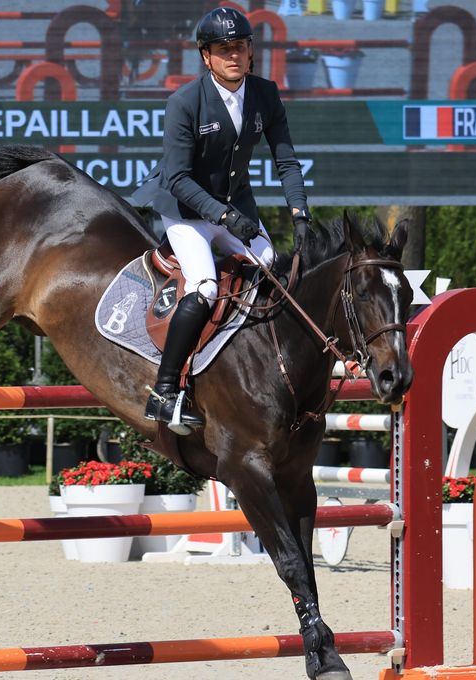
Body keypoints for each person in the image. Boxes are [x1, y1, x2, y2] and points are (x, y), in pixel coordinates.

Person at [132, 6, 314, 435]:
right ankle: (165, 391)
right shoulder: (185, 101)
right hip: (186, 210)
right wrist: (225, 216)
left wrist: (300, 212)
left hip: (235, 207)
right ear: (206, 56)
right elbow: (176, 178)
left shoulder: (265, 94)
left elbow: (285, 160)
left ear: (251, 52)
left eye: (240, 46)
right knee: (205, 286)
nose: (233, 55)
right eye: (223, 48)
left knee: (275, 274)